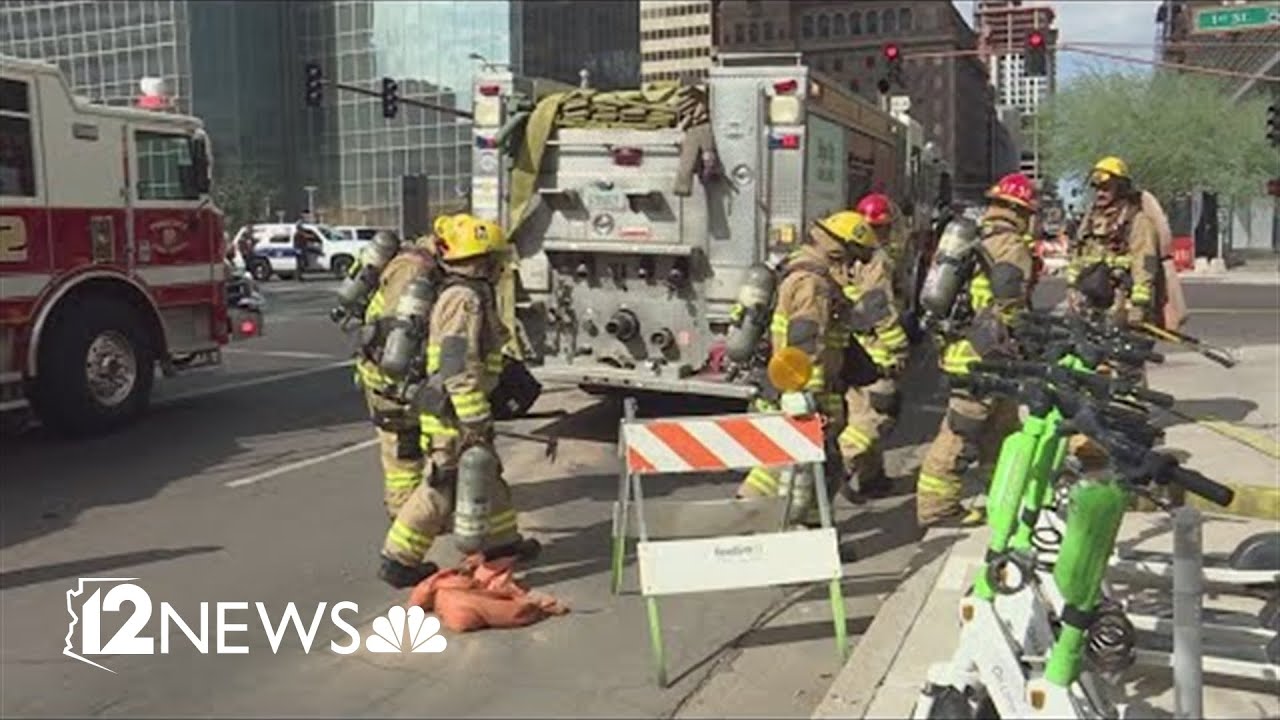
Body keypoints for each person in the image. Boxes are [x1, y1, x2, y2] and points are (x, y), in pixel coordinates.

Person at [378, 214, 539, 589]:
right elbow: (455, 365)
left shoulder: (472, 293)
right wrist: (475, 417)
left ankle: (502, 544)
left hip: (461, 408)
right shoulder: (464, 300)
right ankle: (398, 560)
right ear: (482, 260)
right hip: (453, 413)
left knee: (487, 472)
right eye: (496, 258)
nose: (501, 267)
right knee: (441, 485)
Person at [915, 173, 1038, 528]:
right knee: (961, 430)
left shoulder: (978, 237)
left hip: (971, 350)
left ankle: (1003, 491)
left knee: (1002, 428)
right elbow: (1010, 299)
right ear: (1020, 211)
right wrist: (1028, 335)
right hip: (984, 355)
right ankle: (937, 506)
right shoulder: (1010, 244)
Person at [737, 211, 874, 524]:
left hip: (793, 386)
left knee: (816, 467)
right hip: (803, 391)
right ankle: (744, 519)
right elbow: (806, 342)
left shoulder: (801, 271)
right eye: (853, 257)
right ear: (839, 250)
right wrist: (808, 399)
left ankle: (810, 528)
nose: (854, 267)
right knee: (791, 464)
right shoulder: (813, 284)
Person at [838, 193, 910, 500]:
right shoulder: (878, 260)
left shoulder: (847, 254)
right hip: (876, 350)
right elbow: (879, 306)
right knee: (875, 416)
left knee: (859, 409)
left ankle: (872, 478)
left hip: (850, 346)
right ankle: (838, 467)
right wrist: (899, 345)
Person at [1066, 156, 1161, 327]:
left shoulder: (1137, 220)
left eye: (1106, 188)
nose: (1100, 193)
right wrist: (1072, 288)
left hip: (1120, 301)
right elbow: (1077, 255)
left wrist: (1139, 303)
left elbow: (1147, 261)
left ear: (1121, 188)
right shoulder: (1090, 219)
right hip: (1089, 300)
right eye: (1097, 188)